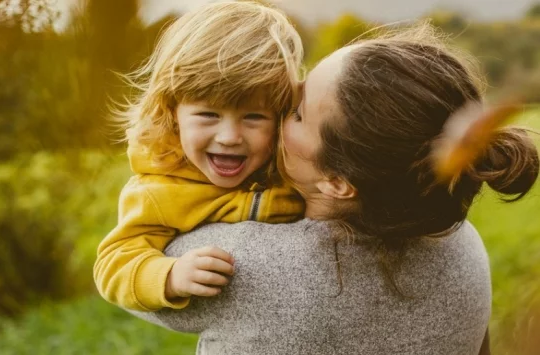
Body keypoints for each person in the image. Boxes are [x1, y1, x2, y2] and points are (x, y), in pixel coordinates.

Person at [127, 24, 539, 354]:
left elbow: (133, 266)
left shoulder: (236, 264)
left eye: (295, 113)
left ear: (338, 182)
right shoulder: (462, 242)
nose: (273, 116)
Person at [93, 1, 305, 312]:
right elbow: (113, 263)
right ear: (172, 112)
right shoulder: (159, 189)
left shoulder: (292, 163)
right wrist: (169, 276)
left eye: (254, 117)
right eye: (208, 114)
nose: (230, 137)